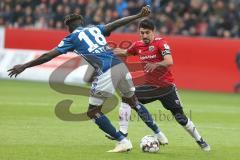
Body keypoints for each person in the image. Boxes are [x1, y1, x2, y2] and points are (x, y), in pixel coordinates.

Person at [7, 6, 168, 153]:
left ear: (68, 27)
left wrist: (25, 65)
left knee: (93, 111)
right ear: (82, 22)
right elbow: (115, 24)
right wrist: (137, 15)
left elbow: (49, 55)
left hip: (106, 71)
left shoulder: (71, 38)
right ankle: (159, 134)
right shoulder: (95, 29)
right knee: (134, 102)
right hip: (121, 66)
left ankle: (123, 141)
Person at [109, 18, 211, 151]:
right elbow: (125, 52)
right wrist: (108, 50)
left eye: (147, 32)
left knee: (181, 118)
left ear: (153, 32)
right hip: (150, 87)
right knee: (127, 97)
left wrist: (156, 64)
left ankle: (200, 140)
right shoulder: (138, 45)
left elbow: (169, 61)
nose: (144, 35)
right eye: (142, 33)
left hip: (166, 88)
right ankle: (123, 133)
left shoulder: (161, 43)